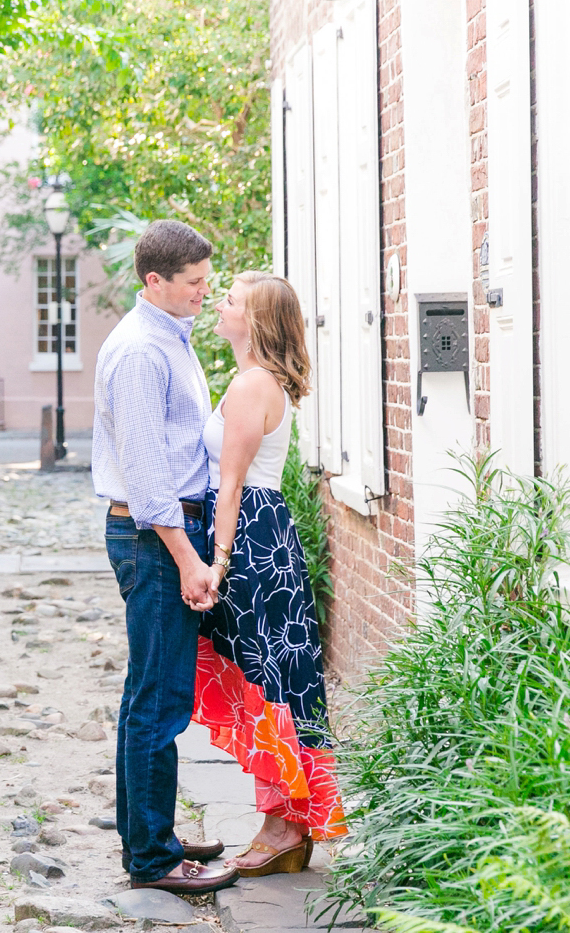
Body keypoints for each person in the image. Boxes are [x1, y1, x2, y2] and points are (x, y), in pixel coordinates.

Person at [93, 220, 240, 895]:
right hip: (155, 538)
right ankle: (152, 859)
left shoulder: (166, 340)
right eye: (194, 283)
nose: (204, 294)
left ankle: (152, 835)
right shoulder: (140, 354)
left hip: (162, 534)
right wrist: (188, 558)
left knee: (152, 695)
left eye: (207, 282)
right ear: (156, 282)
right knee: (157, 700)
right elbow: (150, 477)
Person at [192, 272, 348, 875]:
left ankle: (284, 827)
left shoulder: (254, 383)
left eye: (229, 300)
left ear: (253, 320)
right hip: (260, 534)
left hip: (250, 541)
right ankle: (282, 822)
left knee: (266, 677)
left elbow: (230, 483)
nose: (219, 305)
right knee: (271, 676)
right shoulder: (257, 380)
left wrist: (218, 561)